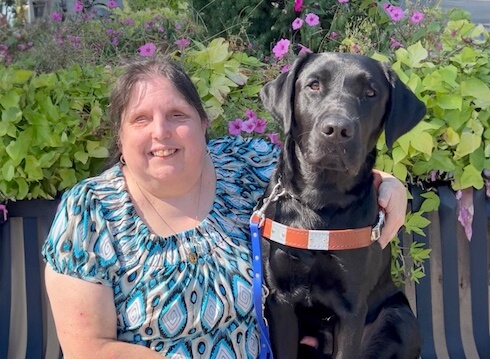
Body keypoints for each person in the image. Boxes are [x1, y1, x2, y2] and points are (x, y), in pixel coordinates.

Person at [42, 59, 408, 359]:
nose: (160, 132)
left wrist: (390, 185)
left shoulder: (245, 166)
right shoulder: (89, 211)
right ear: (119, 136)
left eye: (177, 116)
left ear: (203, 124)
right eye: (140, 119)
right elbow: (88, 348)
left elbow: (317, 166)